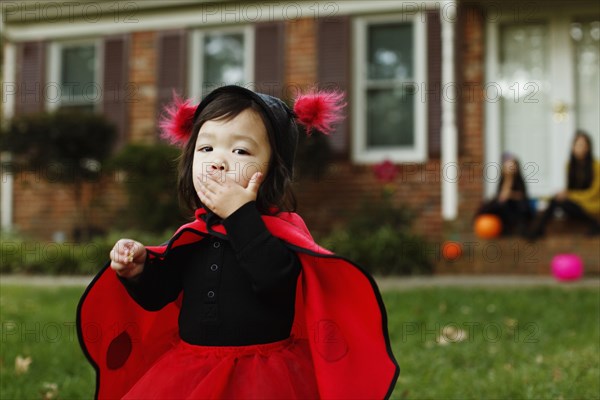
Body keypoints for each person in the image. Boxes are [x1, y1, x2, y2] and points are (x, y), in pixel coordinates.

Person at [77, 85, 399, 399]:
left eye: (240, 150)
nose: (218, 161)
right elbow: (159, 294)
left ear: (273, 169)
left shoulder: (280, 232)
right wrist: (140, 270)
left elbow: (274, 279)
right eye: (206, 149)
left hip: (262, 374)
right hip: (190, 370)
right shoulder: (194, 235)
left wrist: (240, 215)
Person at [528, 130, 600, 239]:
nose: (581, 148)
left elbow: (593, 194)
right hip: (577, 205)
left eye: (584, 145)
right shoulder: (569, 165)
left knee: (559, 200)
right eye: (578, 145)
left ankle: (537, 230)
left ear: (589, 147)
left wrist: (570, 195)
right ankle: (538, 229)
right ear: (573, 147)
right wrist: (561, 195)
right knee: (557, 200)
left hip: (592, 205)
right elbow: (569, 190)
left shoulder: (596, 166)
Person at [476, 153, 533, 236]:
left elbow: (522, 195)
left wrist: (510, 193)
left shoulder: (519, 180)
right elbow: (501, 196)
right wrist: (508, 179)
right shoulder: (502, 180)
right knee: (492, 205)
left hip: (516, 206)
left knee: (521, 207)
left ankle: (520, 230)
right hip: (504, 206)